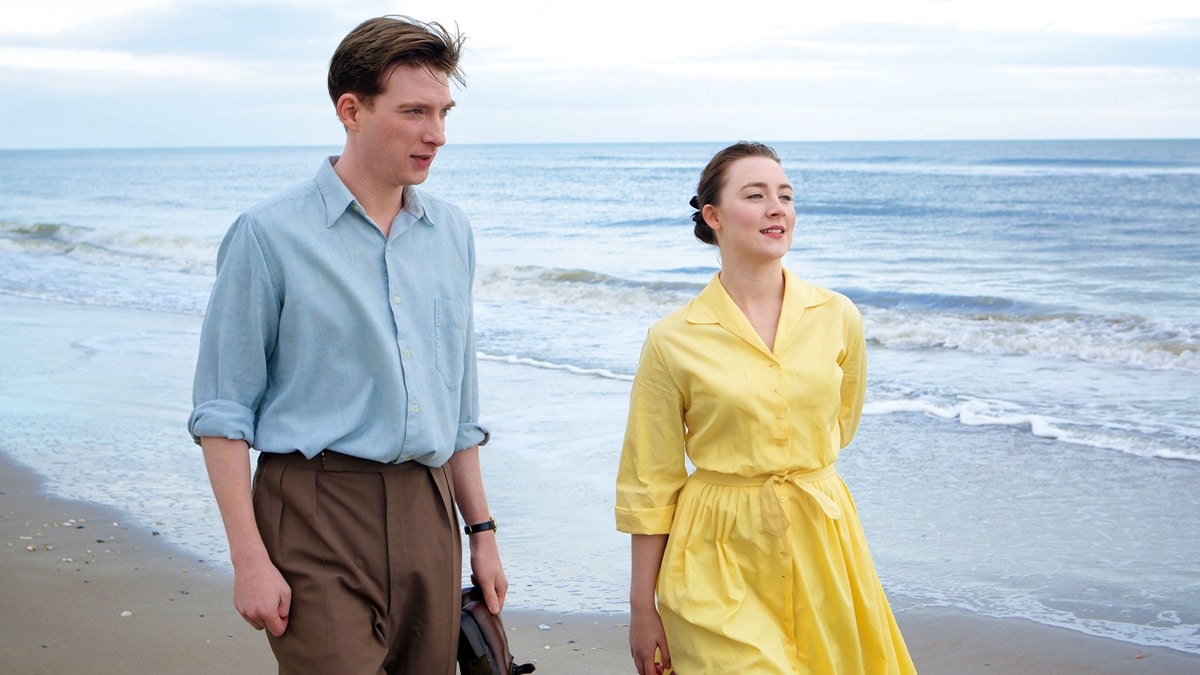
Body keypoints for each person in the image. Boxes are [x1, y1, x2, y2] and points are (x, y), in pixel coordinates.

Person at [187, 16, 505, 675]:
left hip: (429, 506)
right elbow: (222, 414)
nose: (436, 134)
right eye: (414, 111)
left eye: (443, 112)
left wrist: (483, 534)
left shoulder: (452, 233)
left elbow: (461, 404)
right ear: (351, 110)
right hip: (314, 509)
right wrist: (248, 559)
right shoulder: (266, 234)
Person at [615, 141, 916, 674]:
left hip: (821, 541)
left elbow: (840, 424)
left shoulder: (837, 316)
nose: (777, 207)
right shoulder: (672, 339)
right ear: (714, 218)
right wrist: (643, 607)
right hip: (715, 554)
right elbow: (649, 482)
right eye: (755, 195)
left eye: (786, 195)